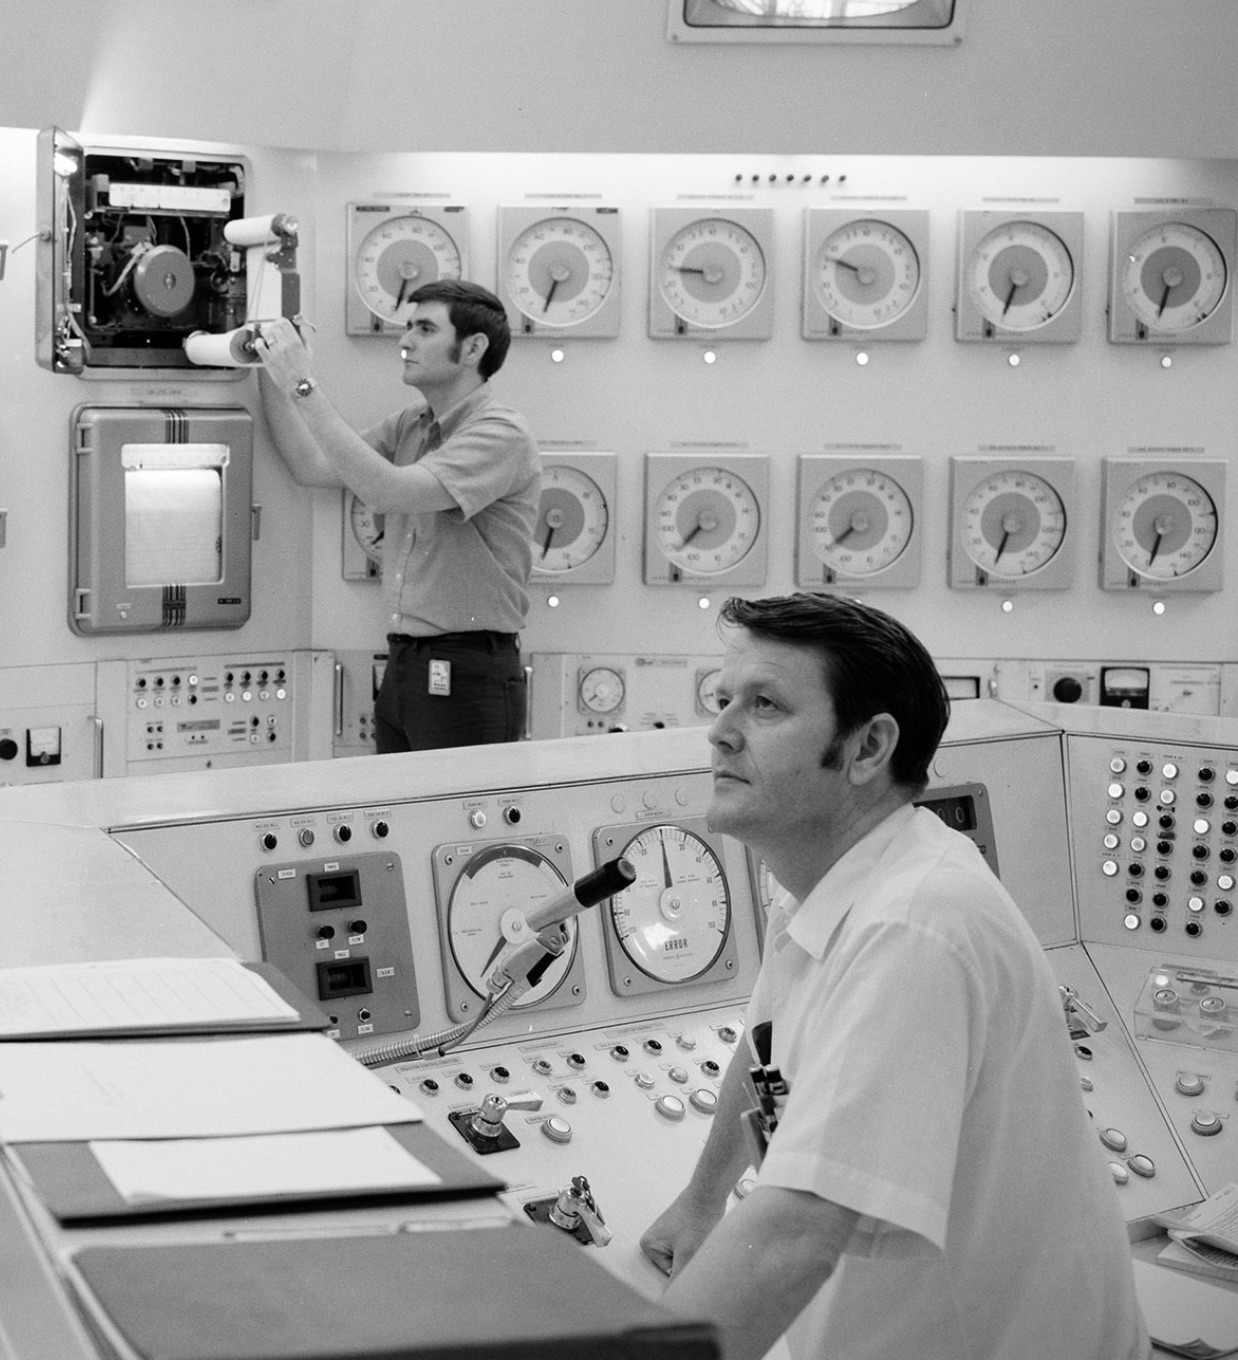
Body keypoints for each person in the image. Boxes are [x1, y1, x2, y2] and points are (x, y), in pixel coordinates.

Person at [639, 592, 1147, 1360]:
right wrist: (701, 1202)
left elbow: (796, 1235)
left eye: (765, 705)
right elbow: (766, 1045)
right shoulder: (835, 880)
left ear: (868, 748)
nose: (719, 731)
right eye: (723, 700)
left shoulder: (917, 926)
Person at [253, 280, 539, 752]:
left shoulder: (501, 433)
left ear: (473, 348)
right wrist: (270, 367)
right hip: (406, 662)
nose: (404, 341)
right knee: (403, 822)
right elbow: (314, 466)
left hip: (467, 670)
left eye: (425, 329)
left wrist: (302, 385)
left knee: (452, 823)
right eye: (407, 327)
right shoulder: (414, 422)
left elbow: (388, 491)